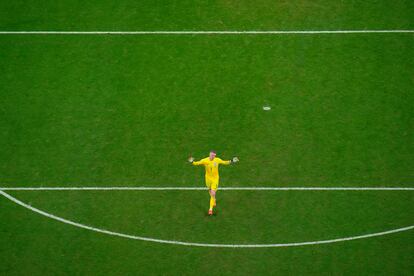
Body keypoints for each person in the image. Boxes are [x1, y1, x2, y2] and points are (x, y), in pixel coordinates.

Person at [188, 151, 239, 215]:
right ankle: (214, 199)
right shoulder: (205, 160)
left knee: (212, 192)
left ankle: (210, 209)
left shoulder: (217, 160)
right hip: (208, 179)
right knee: (210, 190)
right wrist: (192, 162)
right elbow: (197, 163)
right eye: (212, 155)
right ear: (209, 154)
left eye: (214, 155)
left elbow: (224, 162)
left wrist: (232, 161)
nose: (213, 156)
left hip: (215, 179)